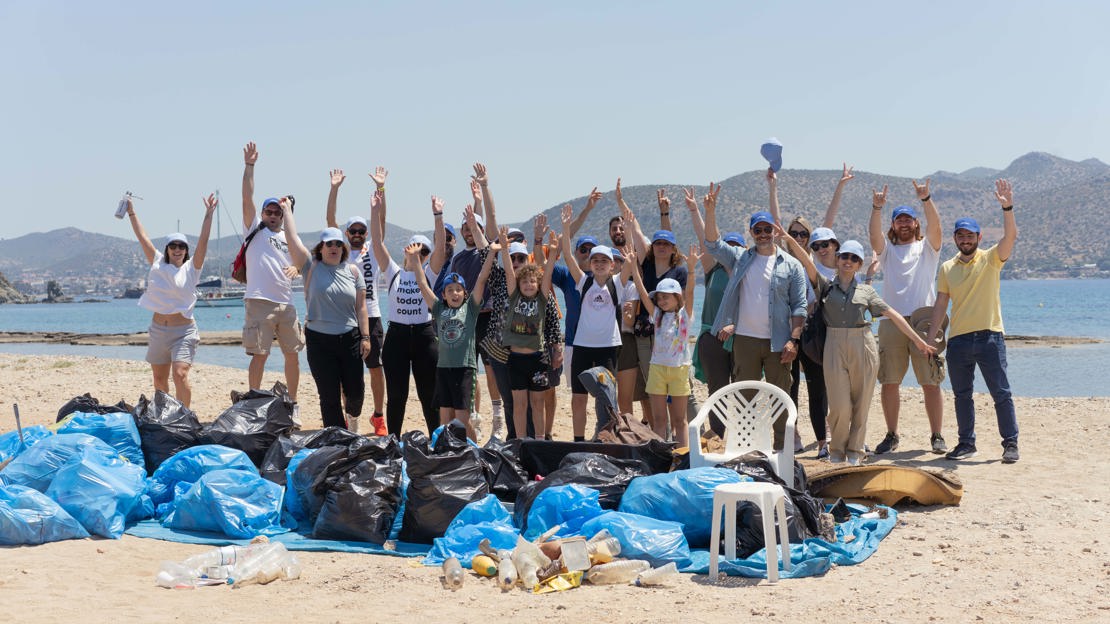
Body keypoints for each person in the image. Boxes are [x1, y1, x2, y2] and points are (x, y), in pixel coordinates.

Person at [816, 240, 936, 465]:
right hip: (833, 344)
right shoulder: (825, 286)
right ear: (837, 260)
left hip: (863, 344)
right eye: (845, 257)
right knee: (839, 405)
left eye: (854, 258)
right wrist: (789, 240)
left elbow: (894, 315)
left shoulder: (867, 291)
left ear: (859, 264)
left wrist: (918, 341)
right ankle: (836, 452)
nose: (848, 261)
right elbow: (807, 264)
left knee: (862, 403)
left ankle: (855, 452)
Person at [928, 180, 1020, 463]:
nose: (965, 240)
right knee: (962, 395)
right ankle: (966, 443)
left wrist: (1007, 206)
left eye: (970, 236)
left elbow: (1011, 237)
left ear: (979, 238)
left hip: (990, 337)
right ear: (955, 238)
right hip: (958, 341)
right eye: (960, 236)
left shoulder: (992, 259)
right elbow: (941, 303)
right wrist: (931, 338)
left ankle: (1010, 444)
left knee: (1001, 393)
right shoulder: (947, 267)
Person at [767, 163, 855, 458]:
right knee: (788, 384)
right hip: (787, 329)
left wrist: (840, 186)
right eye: (796, 234)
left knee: (820, 385)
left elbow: (828, 224)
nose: (802, 238)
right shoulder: (780, 258)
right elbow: (776, 222)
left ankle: (825, 439)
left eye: (805, 234)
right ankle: (791, 435)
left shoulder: (816, 259)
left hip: (815, 330)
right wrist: (772, 186)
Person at [704, 206, 807, 450]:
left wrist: (794, 341)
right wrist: (710, 210)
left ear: (775, 231)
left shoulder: (791, 265)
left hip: (779, 342)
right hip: (745, 341)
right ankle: (748, 449)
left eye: (767, 229)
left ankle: (783, 450)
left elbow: (800, 307)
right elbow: (713, 244)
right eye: (758, 230)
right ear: (751, 232)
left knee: (780, 398)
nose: (763, 234)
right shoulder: (740, 258)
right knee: (745, 398)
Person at [869, 179, 947, 455]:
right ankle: (892, 434)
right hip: (891, 323)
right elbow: (874, 238)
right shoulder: (888, 252)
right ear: (893, 225)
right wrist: (877, 208)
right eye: (898, 220)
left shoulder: (928, 249)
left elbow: (936, 228)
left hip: (924, 323)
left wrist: (926, 200)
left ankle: (937, 435)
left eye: (908, 220)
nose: (904, 224)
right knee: (889, 381)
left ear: (916, 224)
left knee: (931, 382)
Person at [283, 210, 370, 431]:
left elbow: (361, 307)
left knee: (356, 392)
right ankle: (337, 437)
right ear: (320, 248)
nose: (334, 247)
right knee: (328, 395)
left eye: (338, 244)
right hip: (319, 340)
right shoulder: (310, 267)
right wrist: (286, 211)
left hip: (350, 338)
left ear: (343, 248)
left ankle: (353, 417)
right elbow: (292, 238)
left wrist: (366, 337)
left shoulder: (353, 272)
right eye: (329, 244)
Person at [126, 194, 216, 408]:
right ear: (167, 249)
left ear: (186, 251)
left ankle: (185, 416)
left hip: (183, 331)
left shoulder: (192, 269)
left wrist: (208, 214)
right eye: (173, 245)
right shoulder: (157, 263)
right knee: (159, 379)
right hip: (158, 330)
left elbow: (203, 241)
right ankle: (165, 417)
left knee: (180, 374)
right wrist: (131, 211)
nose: (177, 249)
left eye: (182, 246)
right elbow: (142, 237)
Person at [369, 190, 447, 435]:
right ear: (405, 250)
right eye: (414, 250)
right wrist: (375, 209)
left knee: (428, 395)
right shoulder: (393, 272)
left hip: (425, 336)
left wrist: (438, 215)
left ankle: (436, 441)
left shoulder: (430, 274)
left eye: (423, 252)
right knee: (397, 396)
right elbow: (377, 242)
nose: (418, 255)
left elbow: (442, 248)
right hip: (397, 337)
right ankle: (393, 440)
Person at [409, 234, 496, 441]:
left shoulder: (471, 308)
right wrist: (414, 259)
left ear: (464, 293)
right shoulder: (438, 308)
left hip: (465, 370)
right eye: (450, 290)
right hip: (443, 370)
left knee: (462, 421)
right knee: (445, 420)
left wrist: (491, 253)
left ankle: (474, 453)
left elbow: (482, 278)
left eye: (458, 290)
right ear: (444, 295)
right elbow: (422, 284)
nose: (454, 293)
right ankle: (446, 455)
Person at [325, 166, 389, 436]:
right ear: (346, 232)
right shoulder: (337, 251)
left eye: (362, 229)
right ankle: (351, 417)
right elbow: (329, 220)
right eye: (354, 229)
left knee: (375, 369)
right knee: (345, 375)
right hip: (344, 319)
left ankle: (378, 416)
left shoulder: (373, 250)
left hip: (371, 315)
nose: (359, 233)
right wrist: (334, 189)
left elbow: (382, 222)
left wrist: (381, 190)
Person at [240, 142, 304, 414]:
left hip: (286, 303)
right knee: (260, 355)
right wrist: (249, 166)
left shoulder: (288, 236)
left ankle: (292, 403)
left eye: (278, 212)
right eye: (269, 212)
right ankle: (254, 401)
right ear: (263, 214)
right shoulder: (255, 230)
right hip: (259, 301)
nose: (273, 215)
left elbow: (300, 260)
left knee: (293, 355)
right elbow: (247, 198)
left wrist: (297, 269)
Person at [561, 203, 627, 441]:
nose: (599, 263)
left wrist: (628, 226)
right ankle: (578, 441)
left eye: (604, 260)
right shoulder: (584, 282)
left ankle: (606, 438)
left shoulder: (617, 283)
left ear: (612, 265)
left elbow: (631, 261)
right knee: (578, 397)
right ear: (589, 264)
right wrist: (566, 228)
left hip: (608, 348)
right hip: (582, 346)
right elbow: (567, 255)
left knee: (608, 398)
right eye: (595, 260)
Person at [627, 250, 698, 447]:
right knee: (659, 420)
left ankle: (682, 456)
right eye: (659, 297)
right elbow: (642, 293)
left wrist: (691, 270)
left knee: (679, 421)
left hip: (679, 370)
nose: (662, 301)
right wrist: (633, 268)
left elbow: (690, 292)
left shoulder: (685, 315)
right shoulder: (656, 314)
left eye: (666, 297)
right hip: (657, 369)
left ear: (677, 297)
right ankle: (661, 456)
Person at [498, 226, 560, 439]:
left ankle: (540, 440)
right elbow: (508, 271)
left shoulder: (542, 299)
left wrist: (551, 253)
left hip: (537, 359)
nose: (528, 284)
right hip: (515, 360)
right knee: (519, 404)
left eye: (532, 281)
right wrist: (504, 249)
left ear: (538, 283)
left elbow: (548, 272)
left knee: (537, 403)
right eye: (524, 281)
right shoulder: (514, 296)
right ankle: (521, 441)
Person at [684, 184, 743, 397]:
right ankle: (717, 429)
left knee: (742, 389)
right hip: (712, 337)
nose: (731, 249)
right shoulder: (712, 268)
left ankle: (739, 428)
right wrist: (696, 210)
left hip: (740, 338)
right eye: (728, 245)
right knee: (716, 390)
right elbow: (705, 239)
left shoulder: (748, 275)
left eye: (737, 246)